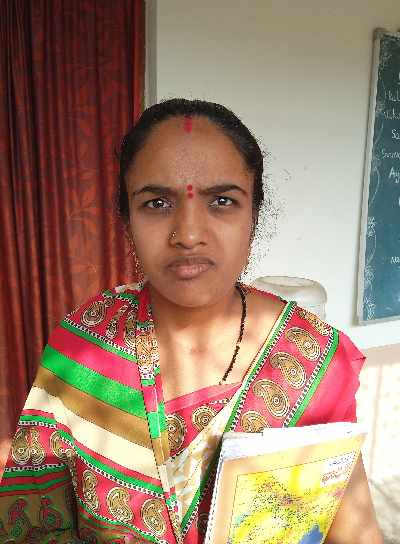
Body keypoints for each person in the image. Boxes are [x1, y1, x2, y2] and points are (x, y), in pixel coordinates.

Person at [0, 99, 382, 544]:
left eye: (222, 201)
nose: (188, 234)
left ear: (253, 216)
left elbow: (352, 529)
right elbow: (33, 516)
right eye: (157, 202)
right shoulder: (84, 346)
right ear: (127, 219)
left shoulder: (312, 358)